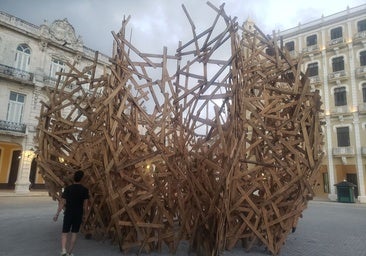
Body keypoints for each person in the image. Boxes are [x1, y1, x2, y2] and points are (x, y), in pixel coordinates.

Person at [53, 170, 89, 256]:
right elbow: (86, 205)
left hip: (68, 213)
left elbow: (62, 202)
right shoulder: (84, 190)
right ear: (82, 179)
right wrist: (85, 215)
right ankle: (69, 252)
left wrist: (57, 214)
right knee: (74, 233)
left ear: (74, 178)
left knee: (64, 233)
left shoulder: (68, 189)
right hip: (78, 213)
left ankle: (63, 251)